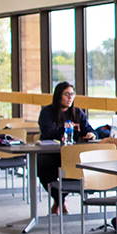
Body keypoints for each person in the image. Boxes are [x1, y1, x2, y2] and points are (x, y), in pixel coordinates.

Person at [36, 82, 96, 214]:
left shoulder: (77, 113)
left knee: (74, 170)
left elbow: (89, 130)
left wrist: (90, 134)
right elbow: (47, 133)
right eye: (66, 94)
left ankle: (59, 200)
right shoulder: (47, 112)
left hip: (71, 154)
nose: (70, 98)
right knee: (42, 167)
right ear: (58, 96)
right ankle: (60, 200)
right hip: (52, 153)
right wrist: (65, 128)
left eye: (72, 94)